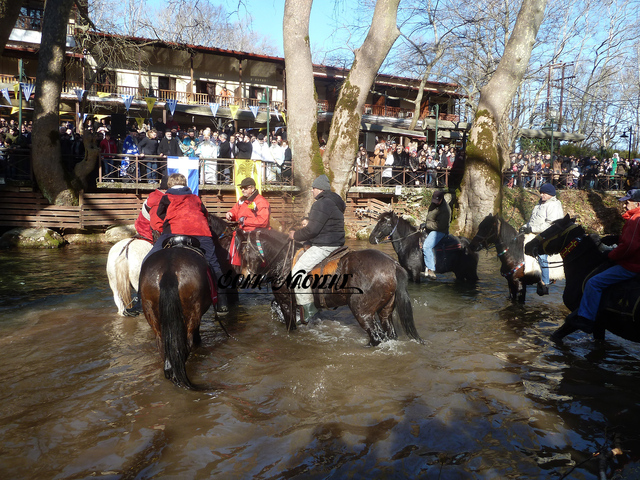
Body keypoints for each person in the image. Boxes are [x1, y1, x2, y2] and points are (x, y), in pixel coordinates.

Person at [565, 189, 640, 335]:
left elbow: (630, 247)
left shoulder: (636, 219)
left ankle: (586, 319)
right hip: (635, 262)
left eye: (627, 202)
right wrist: (617, 239)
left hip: (631, 265)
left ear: (637, 203)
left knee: (594, 282)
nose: (624, 206)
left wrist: (611, 255)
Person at [144, 173, 224, 291]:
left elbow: (160, 214)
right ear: (185, 184)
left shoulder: (166, 198)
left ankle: (139, 299)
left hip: (173, 231)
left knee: (148, 260)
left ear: (169, 185)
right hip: (200, 232)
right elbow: (205, 214)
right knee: (214, 264)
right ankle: (222, 301)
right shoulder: (195, 198)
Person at [288, 175, 346, 324]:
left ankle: (308, 307)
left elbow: (312, 230)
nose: (312, 191)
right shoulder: (335, 202)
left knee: (297, 272)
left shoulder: (321, 203)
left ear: (318, 188)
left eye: (313, 188)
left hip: (325, 246)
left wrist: (296, 235)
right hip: (338, 244)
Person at [520, 183, 564, 295]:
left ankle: (545, 282)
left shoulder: (554, 205)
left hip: (549, 234)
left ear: (550, 194)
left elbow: (550, 225)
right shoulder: (538, 205)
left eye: (544, 193)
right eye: (541, 192)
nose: (541, 195)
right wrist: (525, 227)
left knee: (541, 254)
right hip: (535, 232)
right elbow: (532, 221)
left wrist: (531, 229)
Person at [225, 177, 271, 266]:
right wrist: (230, 214)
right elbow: (235, 211)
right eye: (241, 188)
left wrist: (245, 221)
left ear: (252, 188)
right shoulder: (242, 200)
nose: (242, 190)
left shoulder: (261, 201)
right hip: (242, 232)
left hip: (257, 233)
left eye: (245, 188)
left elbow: (263, 221)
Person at [420, 190, 451, 279]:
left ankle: (431, 269)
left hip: (440, 231)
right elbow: (431, 219)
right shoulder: (434, 204)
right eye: (434, 201)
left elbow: (440, 226)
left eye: (437, 201)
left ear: (442, 199)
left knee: (426, 246)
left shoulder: (445, 209)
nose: (435, 203)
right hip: (430, 228)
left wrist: (427, 225)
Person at [134, 176, 167, 242]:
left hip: (141, 229)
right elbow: (157, 226)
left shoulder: (156, 195)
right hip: (148, 234)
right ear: (165, 189)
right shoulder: (158, 201)